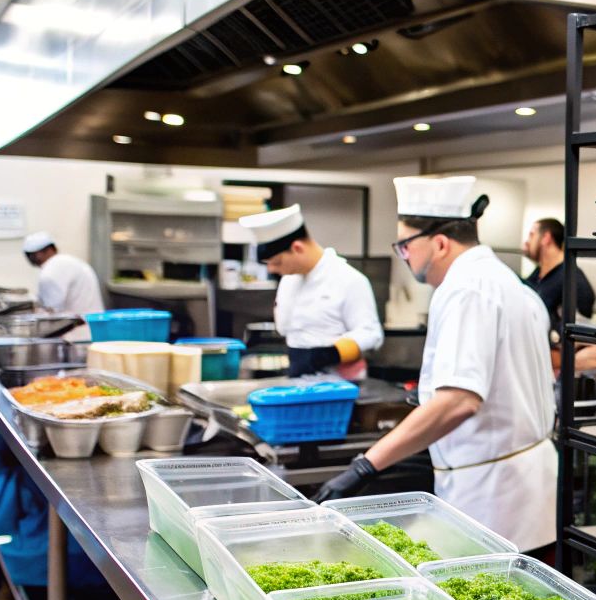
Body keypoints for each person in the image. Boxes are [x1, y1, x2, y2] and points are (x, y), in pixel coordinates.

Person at [313, 176, 557, 551]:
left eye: (405, 246)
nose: (404, 256)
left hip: (493, 496)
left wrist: (366, 466)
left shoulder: (465, 289)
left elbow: (459, 400)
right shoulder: (507, 283)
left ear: (440, 243)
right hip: (522, 487)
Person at [239, 202, 384, 378]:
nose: (272, 270)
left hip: (339, 383)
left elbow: (371, 334)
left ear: (297, 248)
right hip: (298, 378)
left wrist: (328, 354)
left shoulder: (349, 279)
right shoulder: (289, 280)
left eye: (276, 263)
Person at [21, 231, 104, 339]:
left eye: (31, 254)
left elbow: (52, 312)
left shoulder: (51, 271)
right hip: (94, 328)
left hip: (75, 335)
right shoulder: (69, 261)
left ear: (48, 250)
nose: (30, 258)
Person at [522, 218, 595, 328]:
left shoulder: (574, 280)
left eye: (532, 235)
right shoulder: (537, 274)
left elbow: (575, 334)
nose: (527, 242)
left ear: (546, 238)